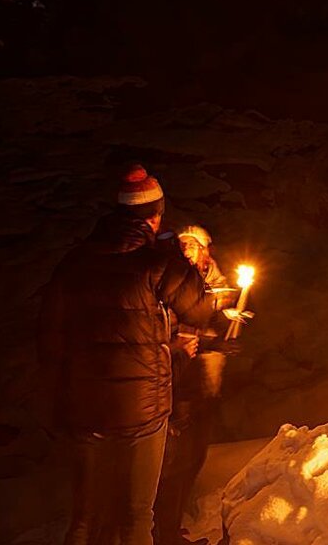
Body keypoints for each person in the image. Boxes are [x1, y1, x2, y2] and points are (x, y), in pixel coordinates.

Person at [38, 164, 211, 545]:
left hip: (84, 406)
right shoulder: (156, 263)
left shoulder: (73, 263)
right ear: (155, 216)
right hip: (142, 408)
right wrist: (179, 259)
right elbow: (200, 310)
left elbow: (50, 338)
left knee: (85, 516)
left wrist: (53, 403)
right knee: (136, 516)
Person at [154, 224, 249, 544]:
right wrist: (210, 340)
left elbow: (211, 328)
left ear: (205, 250)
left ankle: (171, 525)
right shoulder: (173, 280)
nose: (186, 249)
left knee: (193, 458)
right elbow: (183, 330)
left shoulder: (214, 282)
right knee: (174, 462)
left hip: (203, 386)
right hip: (177, 385)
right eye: (182, 244)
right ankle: (160, 531)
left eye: (193, 244)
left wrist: (226, 332)